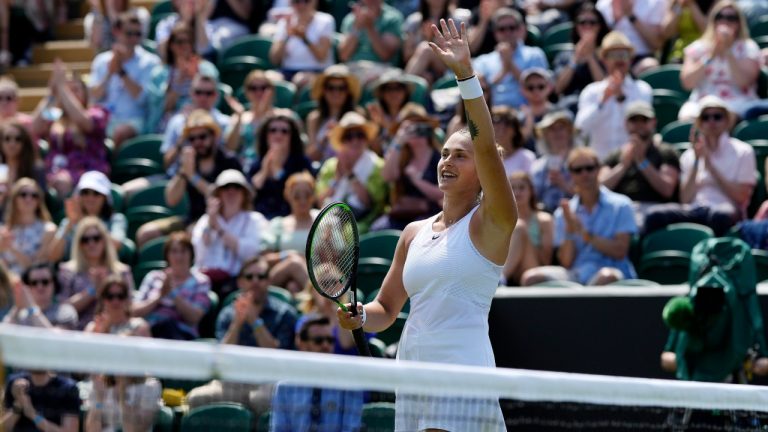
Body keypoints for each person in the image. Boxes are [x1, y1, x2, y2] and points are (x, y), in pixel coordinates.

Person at [338, 19, 515, 431]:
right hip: (412, 370)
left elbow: (486, 144)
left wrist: (465, 77)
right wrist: (362, 316)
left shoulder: (494, 222)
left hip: (462, 369)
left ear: (483, 170)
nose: (447, 161)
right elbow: (387, 309)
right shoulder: (413, 232)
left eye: (460, 156)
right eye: (444, 153)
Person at [187, 255, 297, 412]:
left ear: (269, 281)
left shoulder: (284, 313)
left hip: (268, 381)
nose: (255, 281)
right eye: (249, 277)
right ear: (240, 282)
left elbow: (278, 356)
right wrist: (237, 323)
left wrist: (254, 321)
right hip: (232, 381)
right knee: (195, 399)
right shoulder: (227, 314)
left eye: (261, 276)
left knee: (260, 400)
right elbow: (222, 356)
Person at [523, 147, 638, 286]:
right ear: (571, 174)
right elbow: (566, 262)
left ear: (598, 169)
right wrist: (570, 231)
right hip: (577, 274)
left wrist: (585, 234)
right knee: (531, 278)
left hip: (613, 273)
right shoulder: (563, 212)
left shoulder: (621, 205)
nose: (584, 174)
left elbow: (620, 251)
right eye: (578, 170)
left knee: (606, 277)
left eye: (589, 168)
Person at [644, 96, 756, 237]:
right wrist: (698, 160)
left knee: (720, 216)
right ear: (699, 123)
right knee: (654, 215)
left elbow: (741, 197)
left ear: (727, 121)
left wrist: (710, 165)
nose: (711, 121)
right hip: (695, 209)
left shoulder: (743, 151)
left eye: (717, 116)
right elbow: (685, 199)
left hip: (726, 209)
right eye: (705, 117)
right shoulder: (690, 155)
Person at [136, 109, 241, 248]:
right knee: (145, 234)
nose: (198, 142)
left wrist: (193, 177)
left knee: (192, 234)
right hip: (192, 218)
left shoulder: (229, 161)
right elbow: (171, 200)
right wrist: (183, 172)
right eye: (192, 139)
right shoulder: (189, 162)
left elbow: (222, 199)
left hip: (223, 221)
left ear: (214, 136)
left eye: (203, 137)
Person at [84, 276, 161, 432]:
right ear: (103, 300)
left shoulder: (150, 387)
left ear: (127, 299)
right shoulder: (100, 387)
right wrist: (99, 398)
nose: (115, 301)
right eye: (110, 296)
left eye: (120, 296)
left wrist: (122, 391)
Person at [270, 315, 364, 432]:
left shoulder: (349, 384)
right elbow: (279, 429)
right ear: (302, 343)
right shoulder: (284, 387)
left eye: (330, 340)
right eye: (318, 340)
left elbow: (350, 428)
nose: (325, 345)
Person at [32, 60, 111, 197]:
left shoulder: (97, 112)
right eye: (68, 91)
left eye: (75, 90)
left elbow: (83, 121)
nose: (69, 95)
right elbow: (34, 127)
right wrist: (51, 94)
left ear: (85, 93)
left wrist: (62, 87)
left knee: (62, 181)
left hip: (87, 176)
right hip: (53, 174)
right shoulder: (56, 117)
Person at [600, 101, 681, 228]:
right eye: (634, 120)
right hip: (620, 209)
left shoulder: (665, 152)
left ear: (653, 122)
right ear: (626, 124)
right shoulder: (616, 155)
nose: (639, 125)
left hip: (653, 209)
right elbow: (601, 188)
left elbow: (667, 189)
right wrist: (623, 166)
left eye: (644, 120)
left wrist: (642, 162)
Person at [575, 30, 653, 160]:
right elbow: (580, 128)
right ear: (604, 59)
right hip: (599, 163)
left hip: (632, 162)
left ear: (631, 59)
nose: (619, 59)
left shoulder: (643, 89)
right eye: (613, 55)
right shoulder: (591, 91)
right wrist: (602, 101)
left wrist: (621, 97)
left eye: (624, 54)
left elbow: (643, 128)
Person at [89, 9, 161, 149]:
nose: (134, 39)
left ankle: (110, 169)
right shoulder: (101, 61)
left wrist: (121, 72)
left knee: (120, 132)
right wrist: (110, 73)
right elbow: (94, 96)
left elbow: (142, 99)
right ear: (117, 32)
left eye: (138, 34)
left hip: (135, 121)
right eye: (129, 34)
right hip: (105, 119)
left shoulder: (150, 62)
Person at [678, 1, 761, 121]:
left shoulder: (748, 47)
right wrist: (711, 56)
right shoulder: (698, 48)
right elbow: (687, 83)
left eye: (731, 18)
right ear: (713, 20)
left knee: (723, 117)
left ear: (739, 22)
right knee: (686, 116)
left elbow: (744, 81)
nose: (725, 21)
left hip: (738, 101)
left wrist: (728, 52)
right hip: (703, 100)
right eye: (720, 16)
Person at [191, 169, 269, 296]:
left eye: (237, 188)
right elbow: (199, 252)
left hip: (235, 282)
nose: (231, 192)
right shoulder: (206, 219)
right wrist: (211, 225)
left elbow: (251, 252)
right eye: (226, 188)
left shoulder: (254, 219)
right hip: (203, 279)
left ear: (244, 194)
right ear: (218, 194)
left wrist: (220, 230)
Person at [315, 112, 387, 234]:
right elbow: (320, 201)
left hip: (364, 222)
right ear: (342, 141)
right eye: (349, 137)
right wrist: (337, 179)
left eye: (360, 135)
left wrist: (350, 174)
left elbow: (369, 203)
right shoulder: (331, 165)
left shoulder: (378, 165)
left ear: (366, 139)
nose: (355, 141)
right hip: (330, 217)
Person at [58, 216, 134, 330]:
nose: (91, 243)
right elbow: (63, 310)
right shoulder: (67, 271)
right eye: (85, 240)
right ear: (79, 244)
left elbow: (130, 307)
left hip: (117, 332)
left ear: (105, 241)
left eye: (96, 238)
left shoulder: (122, 272)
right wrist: (92, 290)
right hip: (78, 332)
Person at [133, 231, 212, 340]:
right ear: (167, 255)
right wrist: (159, 297)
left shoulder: (201, 282)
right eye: (174, 251)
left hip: (181, 334)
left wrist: (173, 294)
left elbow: (194, 318)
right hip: (149, 331)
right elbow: (133, 311)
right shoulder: (154, 277)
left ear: (191, 254)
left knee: (167, 326)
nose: (179, 256)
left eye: (183, 251)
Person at [376, 103, 443, 231]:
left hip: (430, 214)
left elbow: (444, 195)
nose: (415, 131)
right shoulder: (401, 156)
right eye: (410, 127)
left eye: (419, 125)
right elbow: (387, 177)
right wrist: (398, 141)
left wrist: (417, 181)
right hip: (403, 212)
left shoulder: (439, 157)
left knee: (415, 230)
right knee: (378, 227)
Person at [146, 21, 219, 134]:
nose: (184, 46)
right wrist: (179, 80)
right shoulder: (160, 73)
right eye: (179, 42)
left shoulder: (207, 69)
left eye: (188, 42)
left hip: (202, 117)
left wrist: (195, 76)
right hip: (172, 121)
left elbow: (214, 100)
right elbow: (162, 109)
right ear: (171, 45)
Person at [471, 7, 548, 109]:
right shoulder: (483, 61)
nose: (507, 32)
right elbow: (482, 91)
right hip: (494, 115)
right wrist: (504, 69)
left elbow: (538, 88)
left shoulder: (535, 54)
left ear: (520, 29)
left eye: (512, 28)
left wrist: (509, 63)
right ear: (495, 33)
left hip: (527, 111)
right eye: (502, 29)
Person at [49, 170, 127, 263]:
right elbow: (53, 256)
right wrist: (69, 225)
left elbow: (116, 245)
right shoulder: (68, 222)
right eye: (85, 192)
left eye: (96, 193)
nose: (90, 198)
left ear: (105, 198)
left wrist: (86, 222)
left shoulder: (116, 220)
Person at [247, 111, 313, 219]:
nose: (278, 134)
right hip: (261, 221)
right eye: (273, 130)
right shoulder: (257, 163)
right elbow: (250, 194)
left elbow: (303, 192)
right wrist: (264, 171)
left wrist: (278, 170)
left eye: (284, 131)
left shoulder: (302, 163)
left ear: (292, 136)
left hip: (291, 220)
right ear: (266, 135)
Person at [261, 171, 317, 294]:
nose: (302, 200)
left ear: (313, 195)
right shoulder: (278, 224)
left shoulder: (325, 219)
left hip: (319, 276)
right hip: (281, 277)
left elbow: (336, 260)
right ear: (288, 196)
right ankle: (321, 299)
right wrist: (287, 255)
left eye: (307, 195)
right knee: (294, 263)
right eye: (297, 196)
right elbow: (264, 259)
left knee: (293, 287)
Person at [553, 2, 609, 109]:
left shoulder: (606, 55)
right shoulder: (564, 55)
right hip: (569, 104)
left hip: (598, 103)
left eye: (592, 22)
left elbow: (604, 86)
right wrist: (575, 59)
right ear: (576, 26)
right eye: (582, 22)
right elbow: (558, 88)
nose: (587, 26)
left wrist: (590, 57)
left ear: (600, 26)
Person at [502, 172, 553, 286]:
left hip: (533, 268)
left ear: (531, 191)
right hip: (508, 267)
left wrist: (524, 238)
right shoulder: (501, 220)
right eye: (513, 188)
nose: (517, 192)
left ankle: (501, 278)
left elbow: (545, 261)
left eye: (522, 188)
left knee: (519, 227)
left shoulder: (544, 220)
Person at [403, 0, 471, 83]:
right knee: (426, 77)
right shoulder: (414, 21)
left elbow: (461, 52)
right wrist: (426, 38)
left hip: (449, 68)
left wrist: (431, 40)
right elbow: (407, 56)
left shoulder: (456, 21)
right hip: (422, 72)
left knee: (426, 49)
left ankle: (403, 86)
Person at [223, 70, 279, 171]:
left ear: (272, 90)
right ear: (246, 92)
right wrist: (239, 116)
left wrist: (263, 114)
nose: (258, 92)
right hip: (243, 167)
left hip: (272, 166)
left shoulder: (283, 116)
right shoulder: (239, 117)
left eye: (263, 88)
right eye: (253, 88)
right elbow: (230, 148)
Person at [268, 0, 335, 83]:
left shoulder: (325, 20)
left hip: (317, 71)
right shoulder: (284, 22)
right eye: (296, 1)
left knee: (301, 79)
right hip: (287, 71)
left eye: (306, 1)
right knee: (269, 79)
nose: (301, 5)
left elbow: (321, 57)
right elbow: (274, 59)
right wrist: (287, 36)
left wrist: (304, 38)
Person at [305, 64, 362, 162]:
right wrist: (324, 139)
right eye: (330, 88)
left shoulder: (358, 114)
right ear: (324, 90)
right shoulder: (314, 118)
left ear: (348, 91)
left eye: (341, 88)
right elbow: (310, 158)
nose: (336, 92)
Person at [0, 178, 56, 275]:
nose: (28, 199)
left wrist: (11, 248)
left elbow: (35, 267)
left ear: (39, 200)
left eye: (34, 195)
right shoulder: (4, 230)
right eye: (23, 194)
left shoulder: (49, 230)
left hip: (35, 286)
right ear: (14, 199)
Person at [596, 0, 666, 74]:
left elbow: (656, 44)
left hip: (639, 60)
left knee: (650, 65)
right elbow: (598, 42)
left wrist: (630, 15)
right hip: (608, 58)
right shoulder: (602, 4)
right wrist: (615, 20)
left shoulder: (655, 2)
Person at [3, 262, 79, 329]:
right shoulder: (21, 314)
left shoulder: (65, 311)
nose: (40, 287)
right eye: (34, 283)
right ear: (28, 286)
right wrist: (17, 308)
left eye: (45, 282)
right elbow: (3, 337)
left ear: (54, 284)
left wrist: (32, 309)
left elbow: (55, 341)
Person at [2, 370, 80, 431]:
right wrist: (19, 404)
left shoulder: (67, 388)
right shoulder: (14, 383)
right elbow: (4, 427)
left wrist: (33, 415)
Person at [530, 110, 576, 213]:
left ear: (569, 132)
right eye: (552, 129)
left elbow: (590, 194)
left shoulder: (581, 161)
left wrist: (564, 185)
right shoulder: (538, 166)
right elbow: (533, 198)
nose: (557, 133)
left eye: (561, 128)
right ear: (545, 135)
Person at [338, 0, 404, 67]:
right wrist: (357, 26)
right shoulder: (350, 19)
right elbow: (344, 55)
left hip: (383, 69)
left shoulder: (393, 18)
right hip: (352, 68)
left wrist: (370, 27)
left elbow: (385, 55)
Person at [0, 121, 45, 189]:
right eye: (7, 138)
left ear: (25, 143)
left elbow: (40, 196)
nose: (12, 144)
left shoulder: (35, 169)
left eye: (18, 139)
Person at [491, 106, 534, 176]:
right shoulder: (485, 159)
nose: (502, 128)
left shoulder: (527, 158)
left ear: (515, 130)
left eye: (507, 123)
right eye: (496, 122)